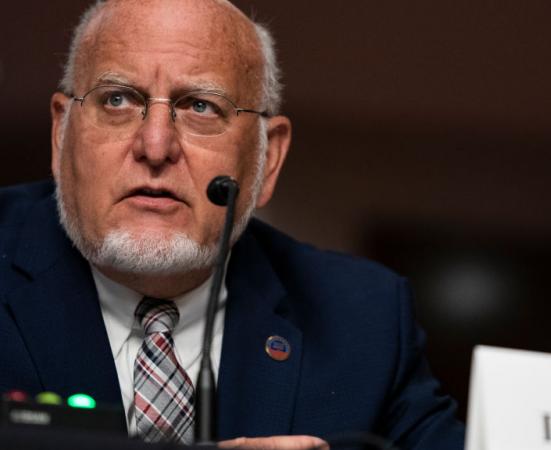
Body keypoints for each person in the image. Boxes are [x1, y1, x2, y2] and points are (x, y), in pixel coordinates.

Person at [0, 0, 465, 448]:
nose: (155, 146)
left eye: (201, 106)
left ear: (269, 159)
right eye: (117, 99)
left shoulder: (361, 322)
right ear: (62, 135)